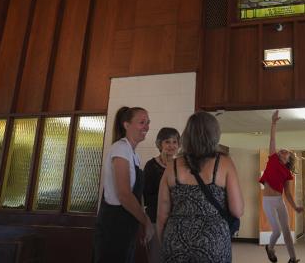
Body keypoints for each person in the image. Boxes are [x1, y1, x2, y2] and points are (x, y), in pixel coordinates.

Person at [157, 112, 243, 263]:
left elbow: (162, 215)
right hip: (213, 242)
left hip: (176, 240)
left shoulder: (172, 166)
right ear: (215, 134)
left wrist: (165, 244)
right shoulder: (224, 163)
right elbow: (237, 210)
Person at [94, 106, 154, 263]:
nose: (146, 127)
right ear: (126, 125)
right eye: (142, 122)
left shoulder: (133, 155)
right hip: (114, 226)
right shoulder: (120, 148)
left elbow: (135, 195)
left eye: (148, 122)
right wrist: (146, 221)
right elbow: (125, 195)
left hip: (127, 226)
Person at [260, 110, 303, 263]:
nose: (283, 150)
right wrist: (273, 123)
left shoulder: (287, 173)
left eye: (287, 152)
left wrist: (295, 206)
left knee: (286, 231)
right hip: (268, 202)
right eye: (282, 150)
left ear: (289, 159)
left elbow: (288, 194)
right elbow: (272, 139)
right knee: (277, 231)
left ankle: (292, 258)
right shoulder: (272, 159)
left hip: (279, 201)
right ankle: (270, 248)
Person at [143, 127, 179, 263]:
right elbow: (146, 196)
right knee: (156, 258)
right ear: (160, 144)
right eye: (167, 142)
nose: (171, 146)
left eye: (175, 142)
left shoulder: (181, 166)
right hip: (155, 220)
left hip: (176, 221)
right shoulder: (151, 166)